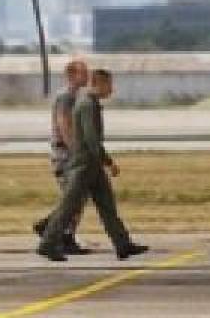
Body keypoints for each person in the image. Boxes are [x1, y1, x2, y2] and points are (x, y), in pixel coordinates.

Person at [36, 68, 149, 262]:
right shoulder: (87, 104)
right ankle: (47, 243)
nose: (111, 89)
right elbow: (91, 138)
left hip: (92, 165)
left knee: (107, 207)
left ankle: (123, 245)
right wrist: (108, 161)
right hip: (84, 166)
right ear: (99, 84)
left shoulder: (90, 103)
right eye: (109, 84)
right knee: (68, 207)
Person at [31, 59, 91, 254]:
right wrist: (76, 152)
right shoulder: (65, 97)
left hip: (69, 154)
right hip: (65, 155)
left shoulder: (75, 97)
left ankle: (51, 227)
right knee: (74, 197)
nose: (88, 76)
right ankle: (62, 235)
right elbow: (64, 126)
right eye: (83, 73)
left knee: (76, 197)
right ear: (71, 75)